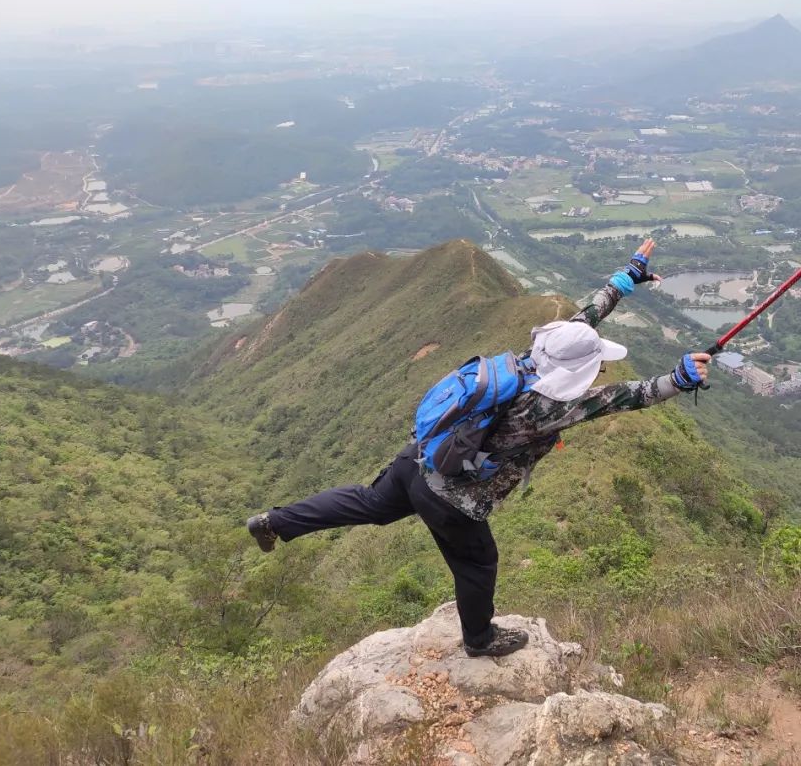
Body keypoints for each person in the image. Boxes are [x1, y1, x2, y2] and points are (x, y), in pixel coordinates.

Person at [246, 239, 710, 657]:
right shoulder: (550, 406)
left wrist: (627, 277)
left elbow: (584, 319)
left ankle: (276, 521)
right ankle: (479, 639)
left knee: (369, 503)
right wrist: (679, 379)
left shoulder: (528, 361)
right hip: (451, 498)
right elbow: (629, 397)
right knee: (478, 562)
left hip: (419, 458)